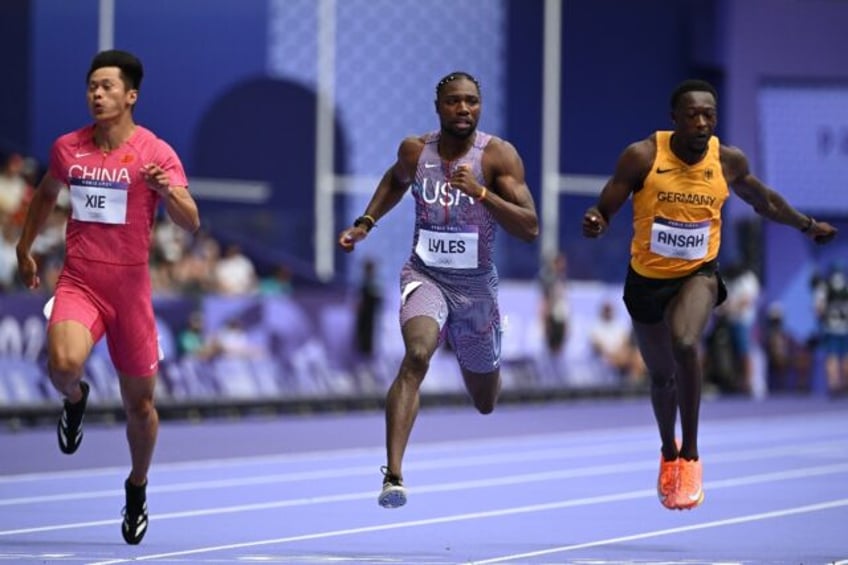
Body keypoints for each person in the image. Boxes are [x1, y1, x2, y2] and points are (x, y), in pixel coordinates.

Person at [581, 79, 837, 512]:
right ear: (674, 119)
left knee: (685, 342)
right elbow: (607, 205)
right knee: (661, 377)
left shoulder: (727, 160)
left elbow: (765, 201)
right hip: (646, 279)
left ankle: (693, 455)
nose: (702, 123)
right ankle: (669, 452)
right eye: (693, 115)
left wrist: (807, 225)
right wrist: (596, 219)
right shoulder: (643, 156)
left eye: (709, 115)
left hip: (697, 273)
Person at [15, 50, 200, 544]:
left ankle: (137, 486)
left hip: (132, 293)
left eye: (107, 87)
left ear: (130, 96)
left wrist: (170, 193)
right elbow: (45, 194)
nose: (97, 94)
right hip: (80, 282)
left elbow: (192, 220)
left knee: (139, 408)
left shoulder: (155, 152)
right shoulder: (67, 148)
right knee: (62, 366)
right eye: (91, 87)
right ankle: (74, 400)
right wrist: (25, 247)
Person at [337, 71, 539, 509]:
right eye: (453, 102)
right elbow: (395, 180)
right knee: (417, 355)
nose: (463, 109)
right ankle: (393, 475)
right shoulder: (417, 150)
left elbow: (530, 227)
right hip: (425, 275)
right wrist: (365, 223)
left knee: (484, 400)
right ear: (439, 107)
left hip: (477, 289)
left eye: (471, 101)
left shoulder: (498, 156)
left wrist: (482, 193)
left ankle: (486, 350)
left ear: (479, 107)